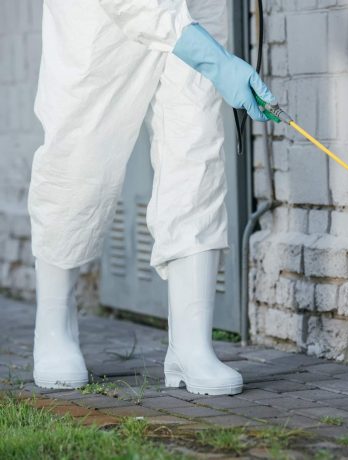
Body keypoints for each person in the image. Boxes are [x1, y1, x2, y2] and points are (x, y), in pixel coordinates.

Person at [28, 0, 275, 396]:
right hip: (99, 15)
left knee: (196, 154)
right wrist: (215, 60)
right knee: (78, 156)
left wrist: (210, 57)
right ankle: (53, 329)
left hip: (196, 7)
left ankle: (191, 347)